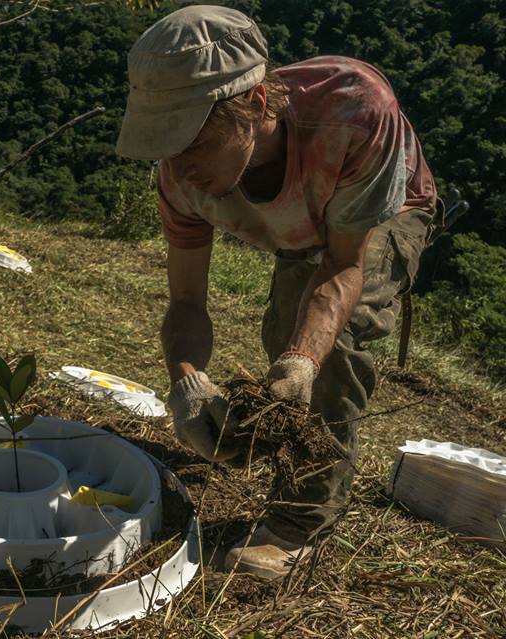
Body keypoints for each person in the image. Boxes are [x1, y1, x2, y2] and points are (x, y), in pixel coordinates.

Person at [115, 5, 437, 578]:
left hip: (374, 207)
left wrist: (305, 358)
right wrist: (186, 379)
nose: (179, 168)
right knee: (285, 336)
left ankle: (299, 523)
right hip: (297, 222)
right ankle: (278, 431)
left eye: (191, 142)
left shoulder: (355, 111)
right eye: (165, 145)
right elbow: (186, 301)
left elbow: (342, 262)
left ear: (255, 104)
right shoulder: (180, 179)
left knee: (324, 348)